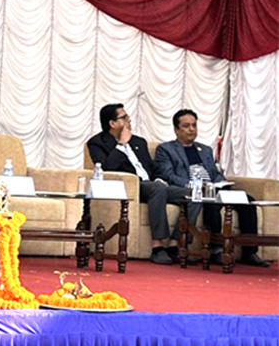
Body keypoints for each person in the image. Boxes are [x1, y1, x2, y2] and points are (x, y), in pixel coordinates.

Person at [154, 109, 269, 267]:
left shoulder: (206, 150)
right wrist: (196, 185)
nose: (191, 129)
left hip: (213, 188)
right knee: (211, 204)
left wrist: (221, 182)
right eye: (186, 126)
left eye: (194, 125)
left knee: (247, 201)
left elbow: (215, 173)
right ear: (176, 130)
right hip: (193, 189)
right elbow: (168, 175)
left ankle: (250, 252)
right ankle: (216, 249)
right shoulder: (165, 149)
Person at [87, 103, 188, 265]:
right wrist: (121, 144)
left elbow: (153, 168)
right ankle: (157, 246)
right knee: (157, 189)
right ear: (112, 123)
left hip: (153, 185)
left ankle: (175, 243)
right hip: (130, 187)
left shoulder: (139, 142)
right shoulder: (97, 143)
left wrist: (159, 178)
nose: (129, 120)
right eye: (124, 118)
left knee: (192, 195)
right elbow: (106, 168)